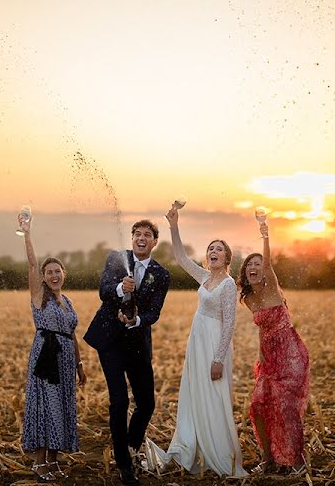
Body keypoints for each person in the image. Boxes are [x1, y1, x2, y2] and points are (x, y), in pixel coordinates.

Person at [145, 205, 247, 478]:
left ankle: (217, 451)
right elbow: (180, 258)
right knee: (194, 393)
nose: (213, 251)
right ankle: (193, 444)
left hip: (215, 346)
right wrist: (174, 226)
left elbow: (229, 323)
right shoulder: (204, 277)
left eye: (219, 249)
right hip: (197, 341)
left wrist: (218, 359)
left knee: (214, 396)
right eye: (210, 248)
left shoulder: (227, 285)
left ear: (227, 258)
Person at [83, 220, 171, 486]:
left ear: (155, 242)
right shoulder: (115, 259)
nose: (141, 238)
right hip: (110, 341)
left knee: (147, 403)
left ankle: (132, 445)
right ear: (132, 238)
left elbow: (154, 311)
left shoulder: (161, 273)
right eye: (137, 234)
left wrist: (137, 321)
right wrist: (122, 288)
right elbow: (104, 291)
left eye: (147, 235)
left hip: (137, 343)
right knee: (119, 401)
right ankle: (124, 463)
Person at [237, 216, 310, 474]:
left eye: (258, 263)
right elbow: (261, 330)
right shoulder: (249, 299)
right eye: (250, 265)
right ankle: (268, 459)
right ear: (245, 272)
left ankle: (297, 461)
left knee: (286, 408)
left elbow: (267, 262)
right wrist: (259, 359)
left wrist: (264, 233)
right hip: (268, 359)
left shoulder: (272, 288)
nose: (254, 267)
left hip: (290, 355)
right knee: (257, 407)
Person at [19, 211, 86, 481]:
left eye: (58, 271)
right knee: (47, 408)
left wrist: (80, 365)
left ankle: (54, 460)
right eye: (50, 272)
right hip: (46, 359)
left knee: (63, 406)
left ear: (64, 274)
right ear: (44, 277)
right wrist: (27, 233)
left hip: (66, 360)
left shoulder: (67, 301)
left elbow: (71, 335)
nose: (54, 275)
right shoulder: (39, 297)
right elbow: (32, 265)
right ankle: (40, 462)